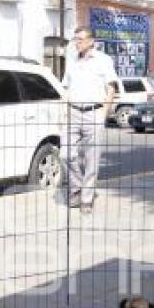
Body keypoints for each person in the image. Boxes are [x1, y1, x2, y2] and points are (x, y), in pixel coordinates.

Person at [62, 26, 119, 214]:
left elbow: (111, 87)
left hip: (94, 112)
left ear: (91, 41)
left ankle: (86, 199)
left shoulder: (103, 60)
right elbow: (66, 88)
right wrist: (64, 112)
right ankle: (76, 188)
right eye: (75, 39)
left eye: (80, 39)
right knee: (66, 154)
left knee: (91, 159)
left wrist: (104, 114)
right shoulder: (72, 61)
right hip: (73, 112)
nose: (76, 42)